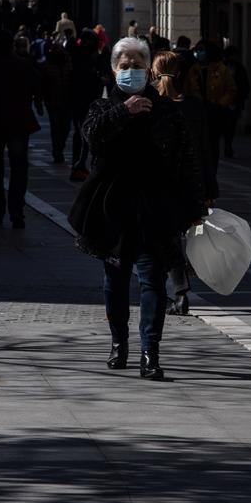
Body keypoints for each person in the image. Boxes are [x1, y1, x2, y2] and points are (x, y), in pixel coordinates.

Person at [68, 38, 207, 380]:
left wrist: (196, 204)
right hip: (114, 211)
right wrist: (124, 111)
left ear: (149, 70)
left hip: (155, 209)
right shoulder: (102, 108)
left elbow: (188, 160)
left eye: (137, 66)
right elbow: (90, 137)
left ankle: (150, 352)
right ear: (114, 70)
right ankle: (119, 343)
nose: (131, 71)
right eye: (125, 66)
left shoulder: (166, 111)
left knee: (152, 282)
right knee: (115, 282)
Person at [151, 50, 217, 316]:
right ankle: (180, 286)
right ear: (179, 72)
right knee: (183, 235)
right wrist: (209, 187)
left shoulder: (150, 103)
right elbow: (206, 150)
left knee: (162, 239)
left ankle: (174, 291)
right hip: (189, 183)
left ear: (153, 72)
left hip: (158, 183)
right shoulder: (194, 105)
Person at [0, 34, 44, 228]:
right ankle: (16, 210)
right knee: (19, 167)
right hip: (19, 121)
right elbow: (36, 85)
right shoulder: (23, 65)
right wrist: (37, 103)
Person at [187, 41, 237, 178]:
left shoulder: (221, 69)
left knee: (213, 144)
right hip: (198, 112)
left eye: (202, 50)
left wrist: (220, 104)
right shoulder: (194, 70)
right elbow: (188, 90)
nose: (199, 53)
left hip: (215, 113)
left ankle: (211, 172)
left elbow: (231, 90)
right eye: (198, 50)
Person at [68, 29, 107, 181]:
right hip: (84, 99)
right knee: (83, 133)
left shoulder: (84, 56)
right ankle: (79, 164)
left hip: (82, 99)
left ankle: (79, 164)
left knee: (82, 132)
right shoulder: (84, 56)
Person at [39, 38, 74, 164]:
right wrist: (39, 101)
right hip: (52, 101)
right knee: (55, 127)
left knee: (66, 128)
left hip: (67, 101)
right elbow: (42, 85)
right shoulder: (47, 66)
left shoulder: (69, 64)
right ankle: (57, 151)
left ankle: (60, 147)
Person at [222, 45, 250, 158]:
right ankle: (228, 144)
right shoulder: (225, 67)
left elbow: (244, 84)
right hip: (227, 100)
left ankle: (228, 144)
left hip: (233, 100)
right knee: (228, 124)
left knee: (230, 124)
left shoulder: (236, 67)